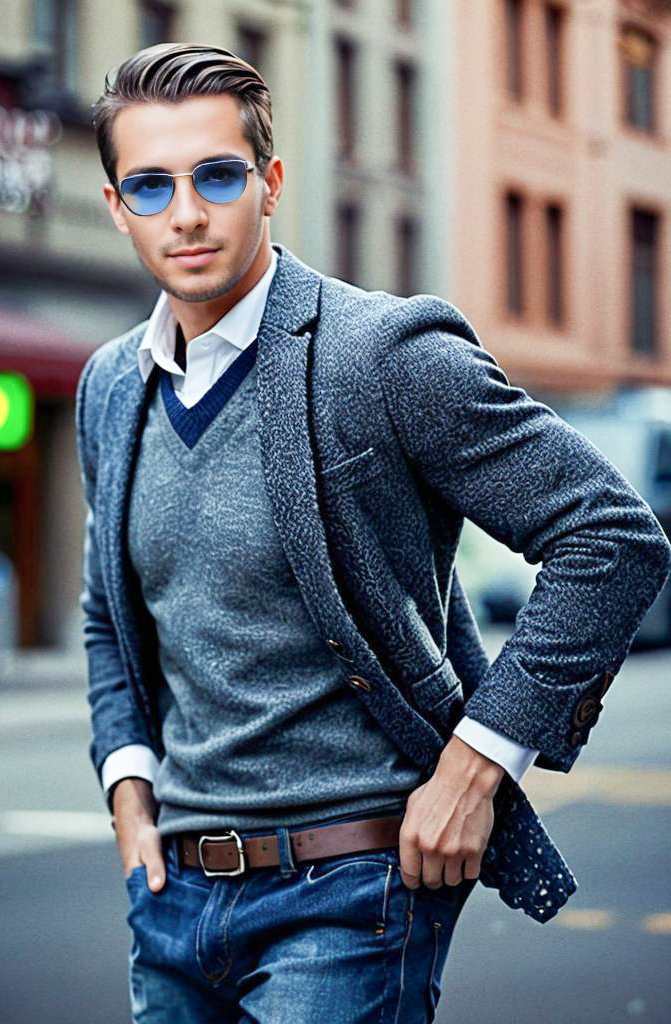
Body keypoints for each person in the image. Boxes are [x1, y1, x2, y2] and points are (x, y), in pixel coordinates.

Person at [76, 42, 671, 1024]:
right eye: (150, 186)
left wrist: (474, 767)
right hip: (173, 901)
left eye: (216, 175)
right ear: (116, 206)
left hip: (350, 892)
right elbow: (109, 609)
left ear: (269, 184)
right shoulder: (109, 387)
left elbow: (611, 535)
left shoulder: (378, 356)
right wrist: (127, 784)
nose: (185, 213)